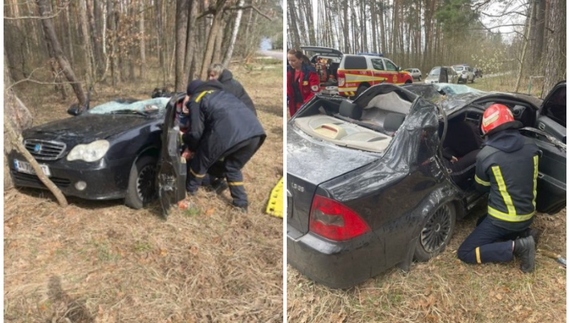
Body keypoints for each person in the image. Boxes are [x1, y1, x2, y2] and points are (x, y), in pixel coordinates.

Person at [457, 104, 540, 273]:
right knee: (481, 222)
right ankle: (525, 233)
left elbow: (481, 187)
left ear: (487, 129)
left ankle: (518, 246)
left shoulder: (486, 155)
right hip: (528, 213)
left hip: (503, 219)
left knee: (465, 252)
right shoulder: (532, 146)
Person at [182, 79, 266, 211]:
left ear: (192, 93)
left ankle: (190, 191)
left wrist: (190, 147)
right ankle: (241, 204)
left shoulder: (197, 99)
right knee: (232, 167)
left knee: (200, 160)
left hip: (227, 133)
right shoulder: (224, 93)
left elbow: (196, 132)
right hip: (255, 132)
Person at [287, 49, 320, 117]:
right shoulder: (288, 71)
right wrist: (287, 95)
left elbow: (314, 92)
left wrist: (305, 104)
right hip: (294, 104)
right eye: (289, 60)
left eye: (293, 60)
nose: (290, 63)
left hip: (307, 106)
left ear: (300, 60)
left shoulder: (310, 72)